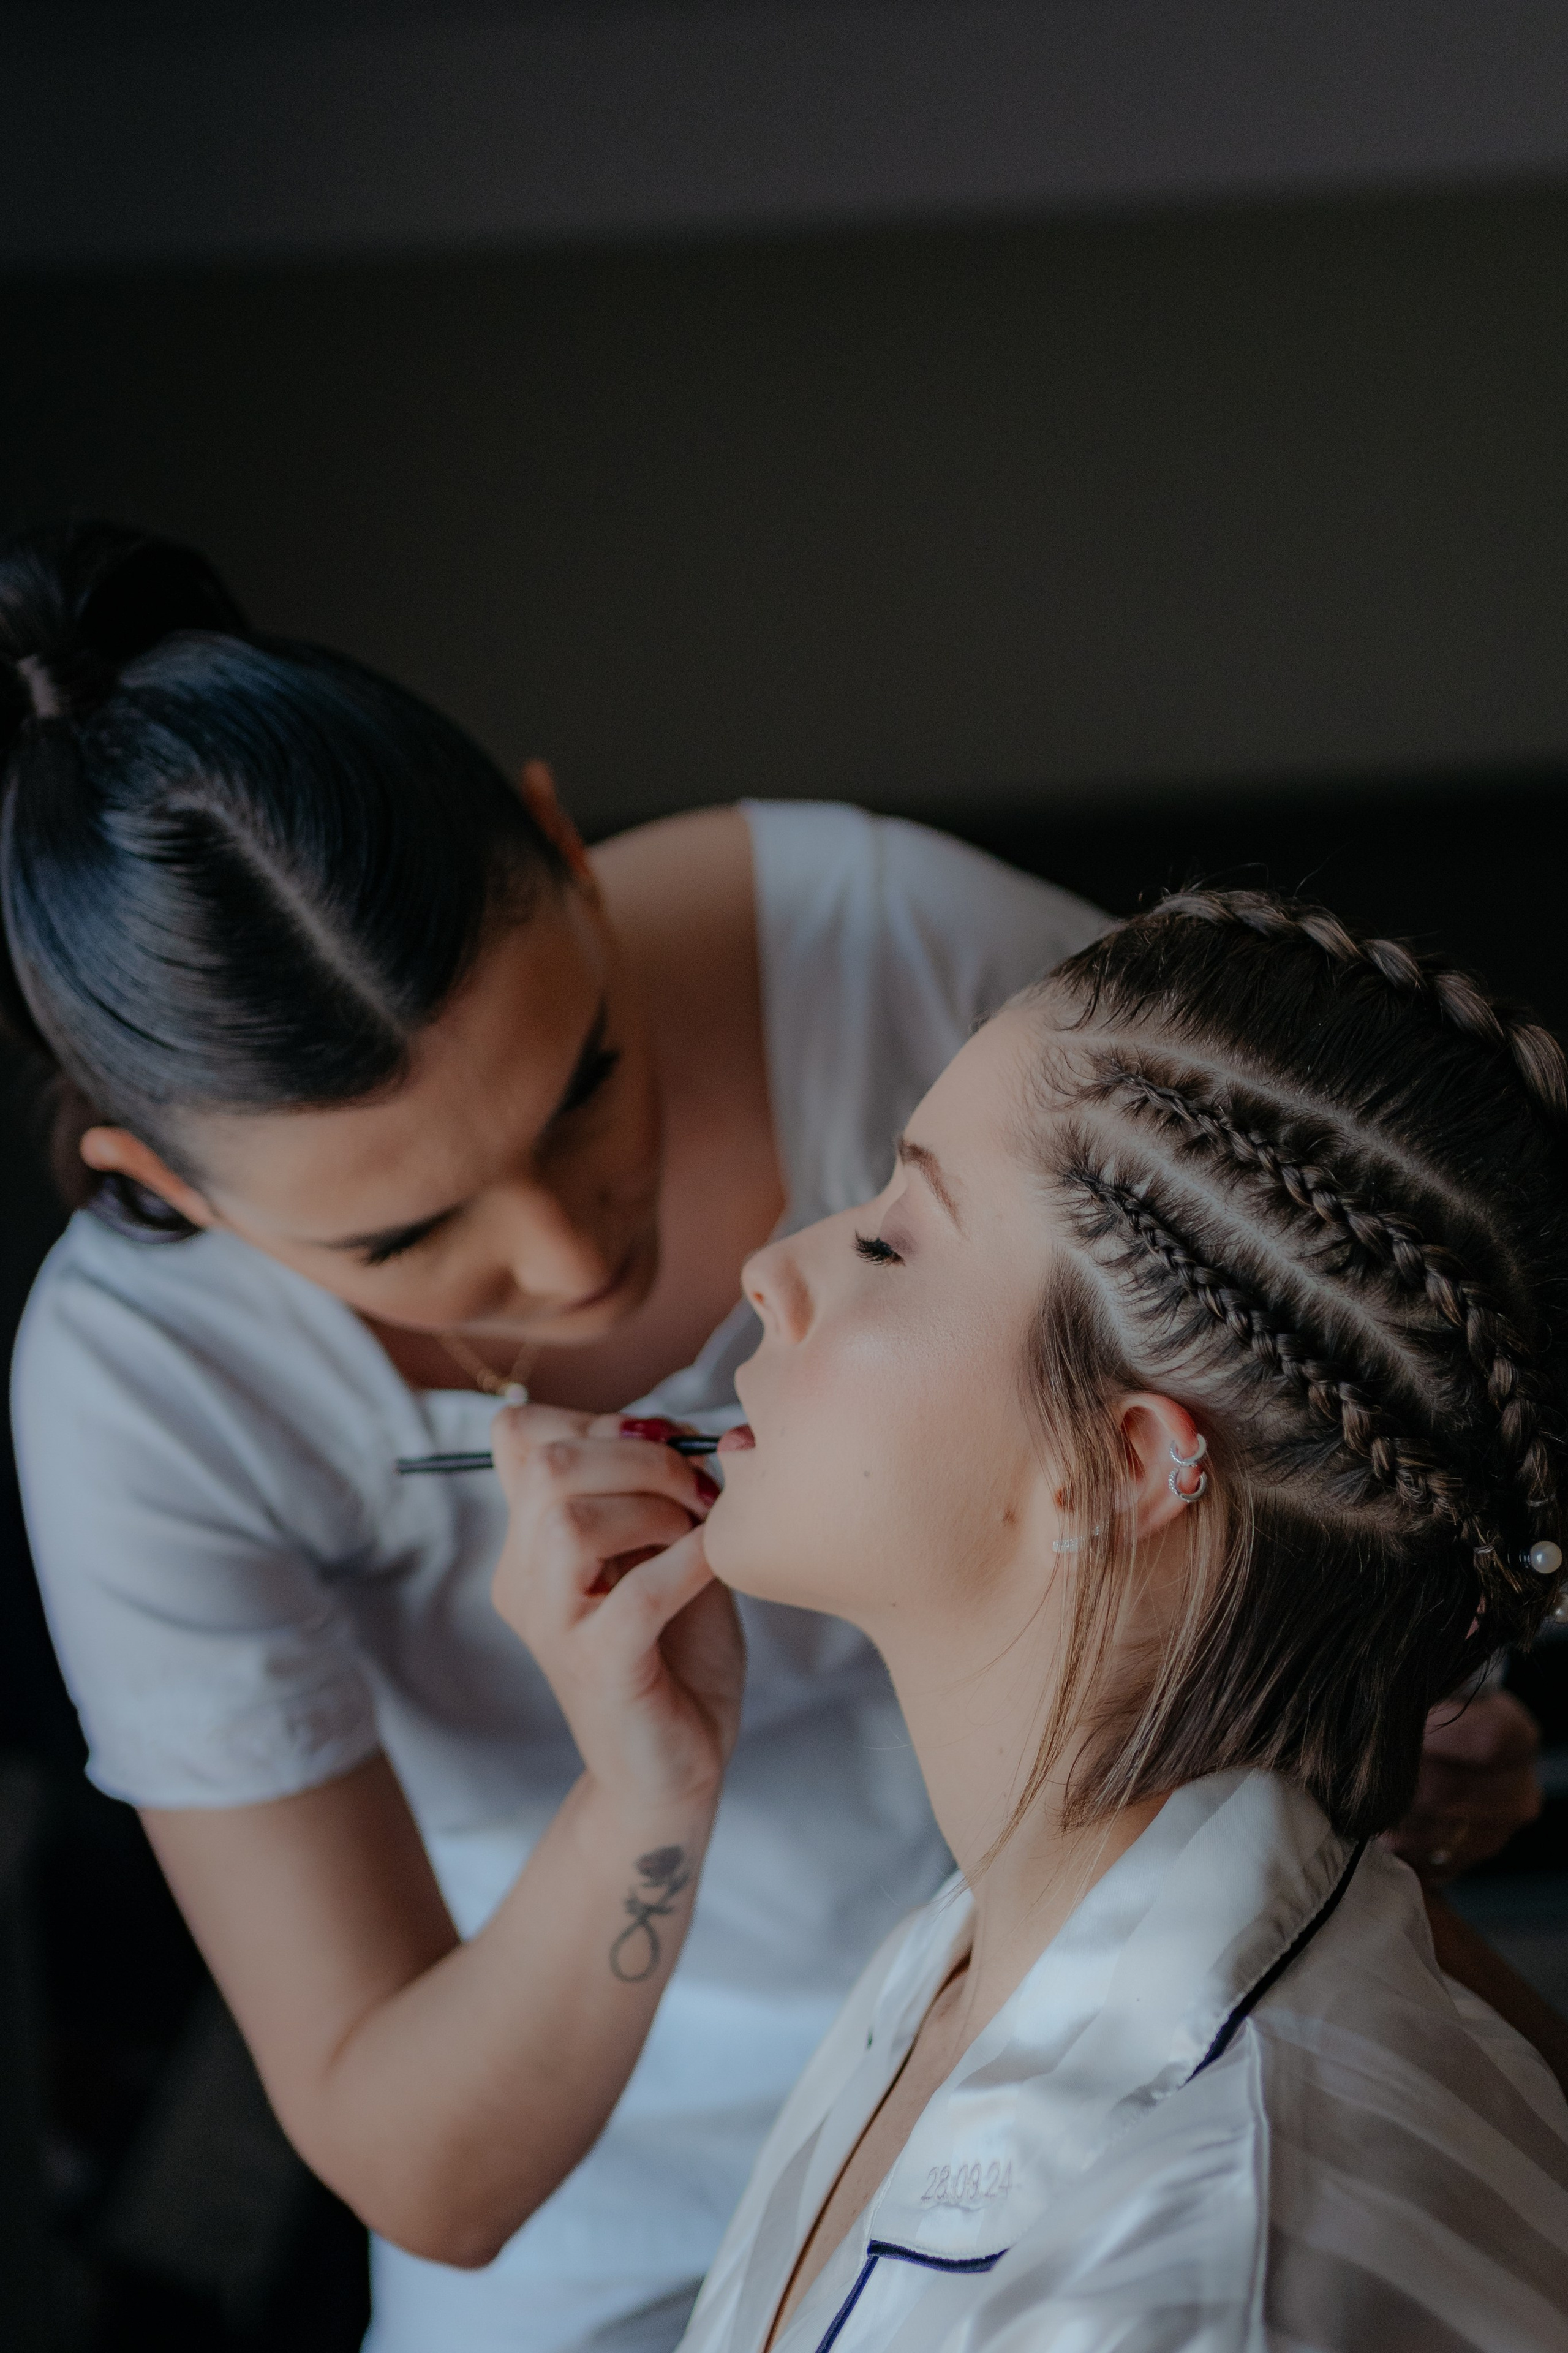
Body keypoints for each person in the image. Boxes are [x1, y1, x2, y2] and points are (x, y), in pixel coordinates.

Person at [0, 524, 1553, 2349]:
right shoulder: (138, 1401)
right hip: (726, 2138)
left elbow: (1281, 1300)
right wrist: (645, 1789)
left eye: (587, 1081)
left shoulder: (900, 949)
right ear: (158, 1185)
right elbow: (415, 2157)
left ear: (569, 853)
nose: (586, 1263)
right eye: (407, 1240)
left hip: (1087, 1998)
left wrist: (1350, 1647)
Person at [665, 888, 1568, 2352]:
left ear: (1128, 1462)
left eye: (893, 1242)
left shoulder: (1199, 2279)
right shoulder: (957, 1954)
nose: (774, 1275)